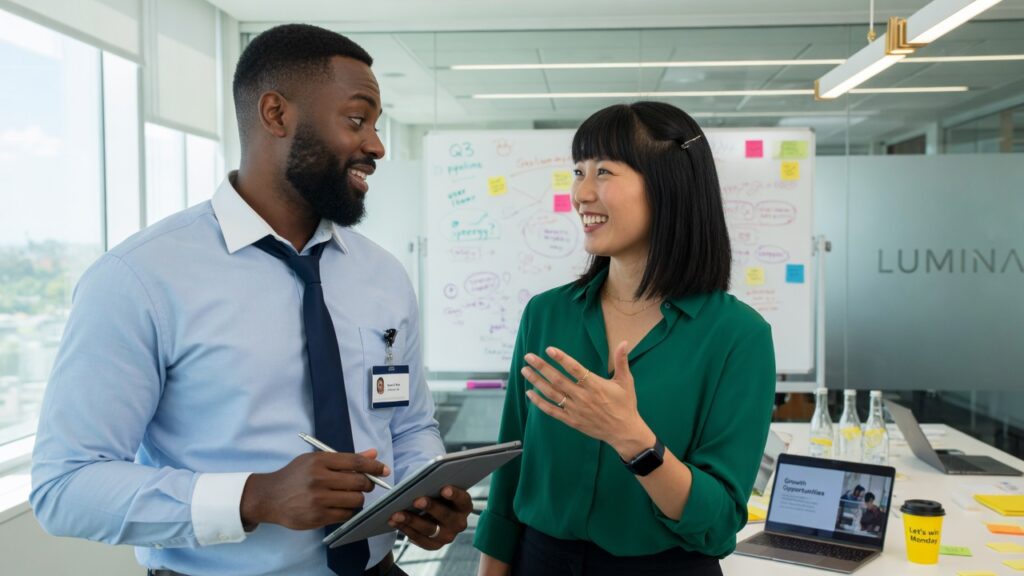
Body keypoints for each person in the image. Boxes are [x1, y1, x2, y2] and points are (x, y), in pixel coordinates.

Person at [30, 24, 471, 576]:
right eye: (357, 120)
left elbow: (408, 426)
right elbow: (64, 486)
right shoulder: (139, 278)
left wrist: (423, 492)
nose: (376, 146)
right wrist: (252, 497)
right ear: (276, 114)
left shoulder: (382, 275)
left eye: (376, 125)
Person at [474, 102, 776, 576]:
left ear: (668, 186)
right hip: (540, 562)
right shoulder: (547, 314)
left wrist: (632, 439)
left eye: (604, 172)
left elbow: (718, 523)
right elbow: (511, 470)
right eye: (578, 171)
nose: (582, 193)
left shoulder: (739, 336)